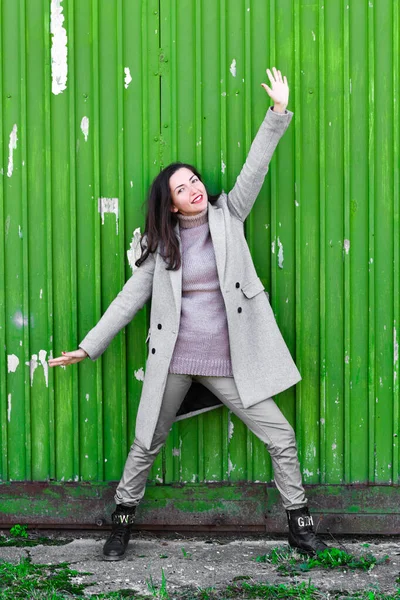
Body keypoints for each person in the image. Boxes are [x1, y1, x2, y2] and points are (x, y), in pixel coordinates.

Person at [50, 67, 328, 561]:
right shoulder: (162, 248)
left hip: (230, 363)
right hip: (176, 361)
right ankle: (121, 523)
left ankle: (300, 526)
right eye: (183, 187)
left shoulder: (229, 216)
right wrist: (89, 346)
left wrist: (278, 113)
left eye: (195, 180)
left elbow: (253, 170)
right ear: (172, 204)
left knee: (281, 436)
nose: (195, 188)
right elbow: (128, 299)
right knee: (146, 442)